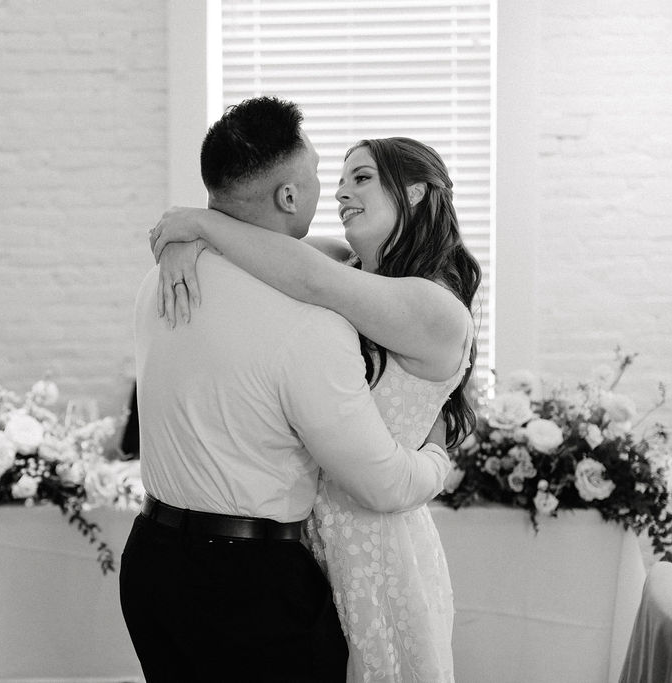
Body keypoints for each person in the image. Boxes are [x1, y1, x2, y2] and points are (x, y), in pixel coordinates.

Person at [122, 96, 455, 682]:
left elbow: (305, 264)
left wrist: (194, 226)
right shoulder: (310, 318)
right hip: (248, 585)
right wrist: (439, 456)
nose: (337, 192)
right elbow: (380, 483)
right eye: (327, 174)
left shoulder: (161, 279)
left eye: (359, 178)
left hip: (150, 562)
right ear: (289, 197)